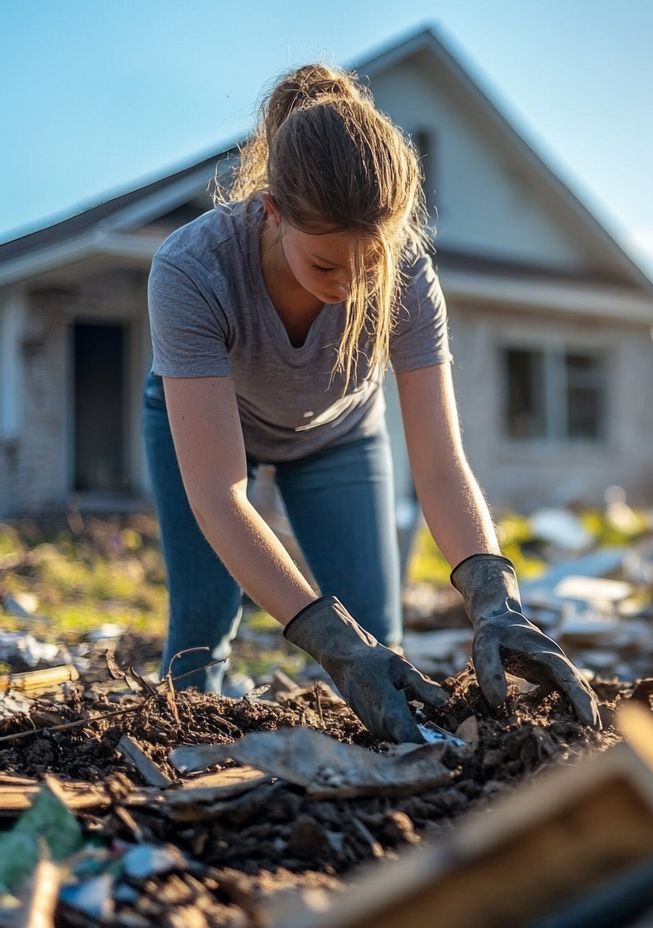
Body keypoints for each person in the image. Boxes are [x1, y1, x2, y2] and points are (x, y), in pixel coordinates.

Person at [141, 63, 598, 742]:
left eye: (370, 266)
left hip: (338, 438)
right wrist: (327, 642)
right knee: (200, 640)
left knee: (378, 646)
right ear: (271, 211)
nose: (351, 287)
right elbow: (221, 498)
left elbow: (441, 467)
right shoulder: (193, 269)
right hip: (211, 430)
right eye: (326, 265)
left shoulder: (411, 277)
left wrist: (496, 603)